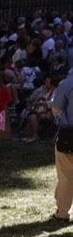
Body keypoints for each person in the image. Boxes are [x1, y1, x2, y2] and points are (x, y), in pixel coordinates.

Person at [51, 70, 73, 222]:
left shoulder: (66, 84)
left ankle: (63, 212)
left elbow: (56, 109)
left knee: (66, 175)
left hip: (69, 134)